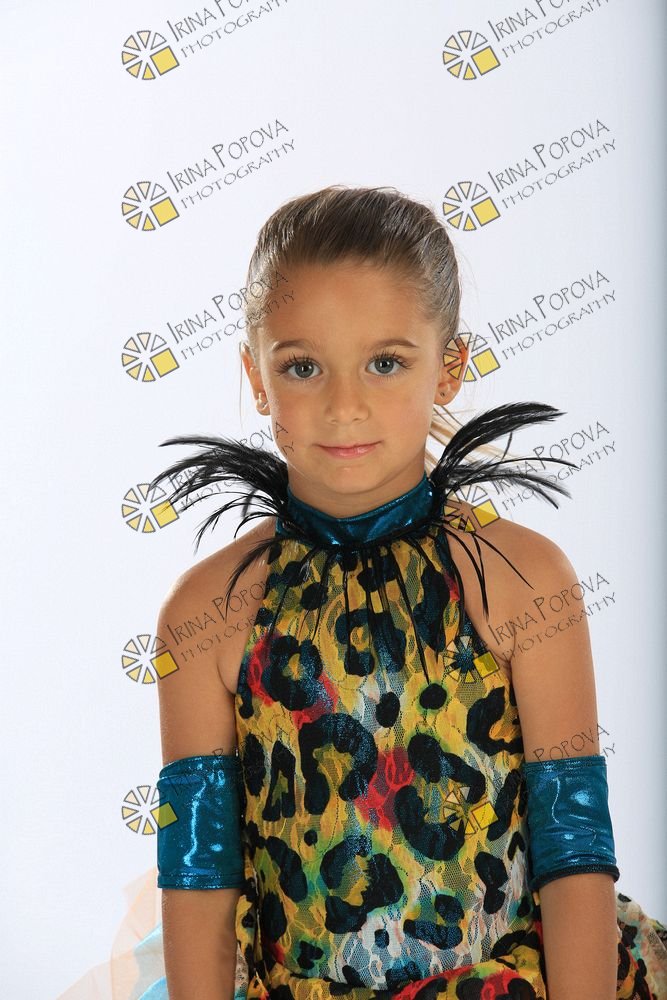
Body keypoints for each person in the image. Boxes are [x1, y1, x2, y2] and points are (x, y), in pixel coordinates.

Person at [83, 186, 667, 999]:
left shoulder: (520, 580)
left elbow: (572, 850)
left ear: (448, 367)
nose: (345, 405)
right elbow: (200, 877)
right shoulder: (208, 615)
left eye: (385, 363)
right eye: (303, 367)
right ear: (256, 376)